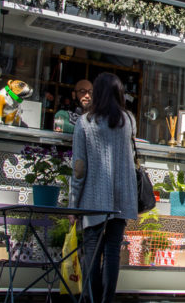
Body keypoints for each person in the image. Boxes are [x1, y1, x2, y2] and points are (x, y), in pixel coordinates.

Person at [69, 73, 136, 303]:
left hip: (92, 198)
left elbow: (79, 168)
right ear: (119, 93)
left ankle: (91, 300)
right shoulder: (128, 120)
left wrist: (73, 204)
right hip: (121, 198)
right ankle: (107, 300)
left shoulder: (85, 122)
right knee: (112, 251)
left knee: (91, 252)